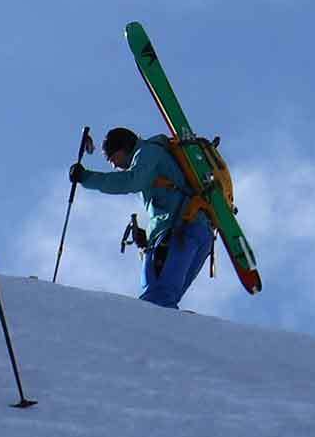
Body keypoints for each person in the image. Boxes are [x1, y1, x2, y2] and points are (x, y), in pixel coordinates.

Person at [71, 127, 215, 309]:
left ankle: (153, 327)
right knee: (166, 299)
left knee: (156, 298)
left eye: (113, 158)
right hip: (197, 229)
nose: (114, 165)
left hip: (180, 230)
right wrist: (147, 237)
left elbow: (129, 181)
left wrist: (86, 177)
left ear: (124, 147)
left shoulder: (147, 152)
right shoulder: (156, 156)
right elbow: (167, 198)